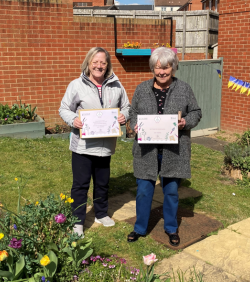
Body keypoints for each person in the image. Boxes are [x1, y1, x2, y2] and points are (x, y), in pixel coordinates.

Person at [127, 47, 201, 246]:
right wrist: (134, 124)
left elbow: (196, 112)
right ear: (152, 68)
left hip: (173, 151)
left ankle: (171, 228)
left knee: (171, 192)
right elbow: (132, 112)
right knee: (143, 190)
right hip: (146, 151)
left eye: (166, 68)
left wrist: (185, 122)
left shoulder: (184, 89)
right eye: (158, 68)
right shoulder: (142, 89)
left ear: (173, 68)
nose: (162, 72)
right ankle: (140, 228)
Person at [59, 47, 130, 237]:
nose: (99, 66)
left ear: (107, 65)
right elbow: (64, 108)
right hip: (83, 146)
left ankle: (100, 214)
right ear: (89, 63)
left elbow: (126, 106)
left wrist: (124, 115)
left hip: (105, 146)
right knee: (80, 185)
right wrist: (73, 119)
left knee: (102, 183)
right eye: (95, 62)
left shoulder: (116, 85)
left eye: (103, 62)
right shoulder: (76, 85)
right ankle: (77, 222)